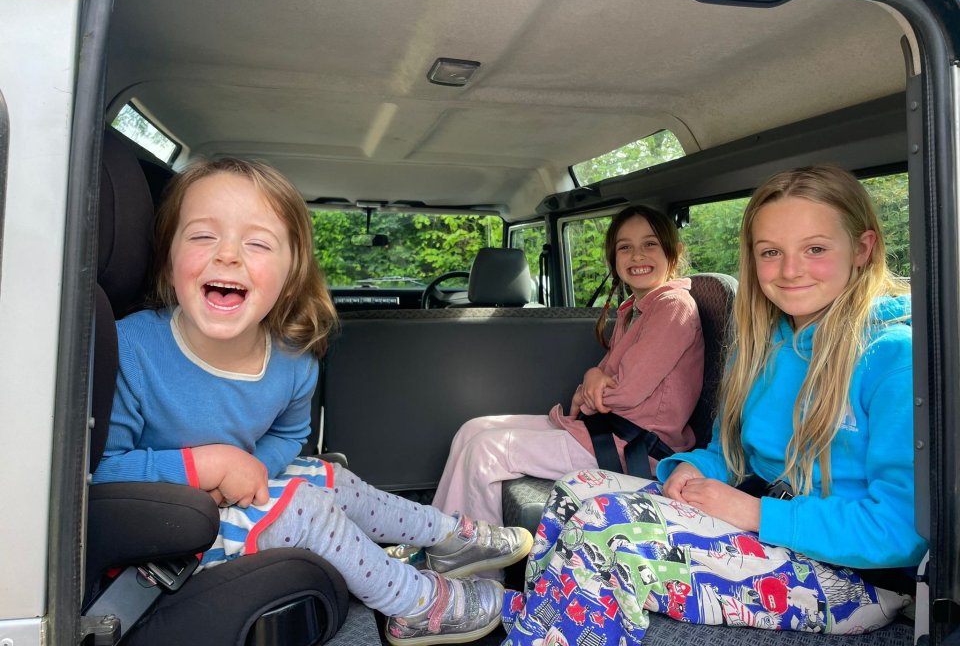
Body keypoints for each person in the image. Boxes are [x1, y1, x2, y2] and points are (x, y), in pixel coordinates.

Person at [91, 157, 534, 646]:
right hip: (161, 533)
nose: (228, 256)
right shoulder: (130, 349)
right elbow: (96, 475)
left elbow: (289, 436)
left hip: (225, 503)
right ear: (168, 254)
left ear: (290, 271)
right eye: (202, 236)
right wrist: (206, 467)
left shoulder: (292, 358)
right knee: (305, 505)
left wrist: (250, 469)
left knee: (328, 477)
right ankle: (417, 606)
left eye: (257, 243)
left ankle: (447, 538)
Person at [502, 165, 927, 646]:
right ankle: (537, 627)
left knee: (608, 532)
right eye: (771, 252)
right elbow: (732, 452)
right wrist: (689, 468)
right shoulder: (764, 344)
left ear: (863, 248)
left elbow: (903, 530)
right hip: (769, 525)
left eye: (815, 249)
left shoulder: (892, 358)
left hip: (854, 576)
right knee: (576, 488)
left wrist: (755, 514)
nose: (790, 270)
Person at [430, 205, 704, 526]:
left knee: (485, 451)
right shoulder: (634, 309)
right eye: (625, 247)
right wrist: (593, 378)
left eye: (650, 244)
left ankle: (470, 559)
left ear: (675, 252)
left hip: (636, 447)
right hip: (605, 430)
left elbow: (623, 394)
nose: (636, 256)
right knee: (473, 429)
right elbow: (604, 381)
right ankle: (438, 533)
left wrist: (591, 385)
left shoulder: (673, 307)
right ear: (614, 259)